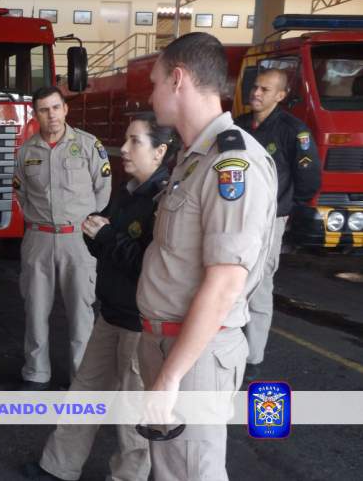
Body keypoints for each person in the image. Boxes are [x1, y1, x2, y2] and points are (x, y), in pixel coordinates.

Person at [137, 32, 277, 480]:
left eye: (155, 81)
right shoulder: (194, 158)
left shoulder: (230, 164)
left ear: (178, 80)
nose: (151, 91)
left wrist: (170, 375)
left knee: (193, 473)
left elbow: (224, 285)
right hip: (171, 346)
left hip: (193, 357)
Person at [24, 114, 178, 481]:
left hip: (141, 326)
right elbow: (108, 242)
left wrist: (107, 238)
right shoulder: (127, 193)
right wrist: (96, 237)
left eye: (134, 142)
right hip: (111, 315)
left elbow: (153, 268)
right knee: (84, 395)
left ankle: (127, 477)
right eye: (125, 140)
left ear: (159, 152)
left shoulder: (165, 202)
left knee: (131, 416)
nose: (122, 149)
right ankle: (59, 466)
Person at [13, 85, 111, 390]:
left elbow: (103, 188)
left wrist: (86, 220)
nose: (51, 115)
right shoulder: (26, 152)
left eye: (56, 107)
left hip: (77, 240)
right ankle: (36, 372)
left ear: (65, 109)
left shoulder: (87, 145)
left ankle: (81, 379)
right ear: (35, 114)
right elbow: (20, 194)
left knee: (82, 314)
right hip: (39, 239)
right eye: (44, 109)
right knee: (35, 312)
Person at [234, 68, 321, 380]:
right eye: (255, 87)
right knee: (230, 281)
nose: (256, 93)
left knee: (258, 285)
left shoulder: (293, 131)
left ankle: (252, 358)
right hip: (235, 215)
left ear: (281, 95)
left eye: (265, 89)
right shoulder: (238, 126)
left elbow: (308, 180)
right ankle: (229, 349)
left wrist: (290, 212)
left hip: (269, 220)